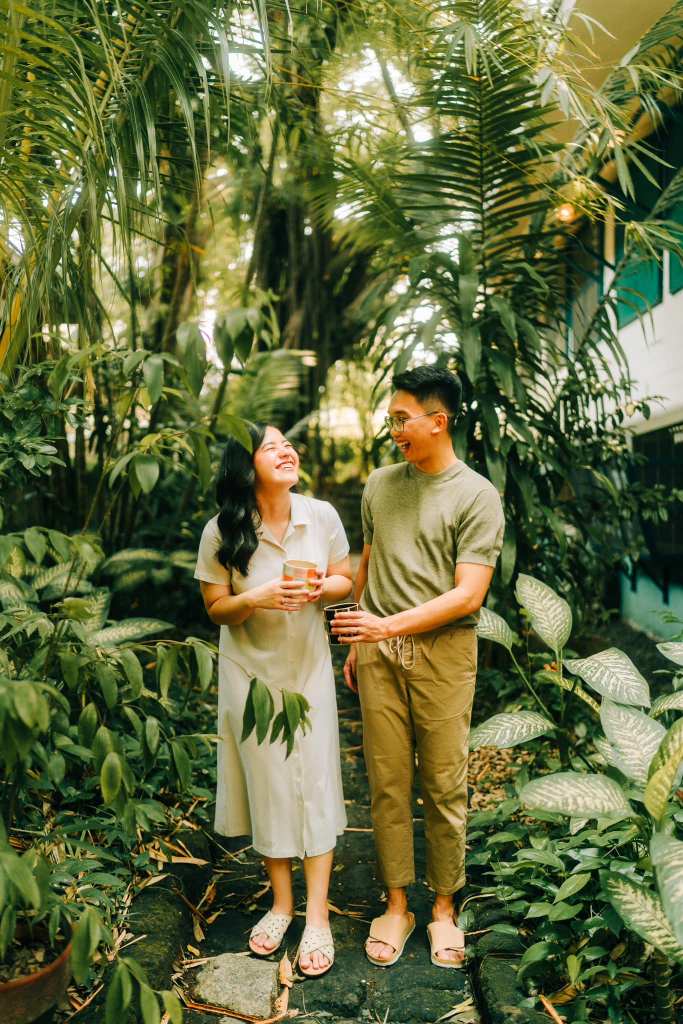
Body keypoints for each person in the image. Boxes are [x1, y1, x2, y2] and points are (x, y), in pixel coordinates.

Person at [332, 366, 504, 970]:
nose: (394, 428)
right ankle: (398, 904)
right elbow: (369, 562)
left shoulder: (476, 495)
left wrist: (386, 627)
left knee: (444, 783)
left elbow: (468, 595)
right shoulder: (380, 484)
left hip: (443, 654)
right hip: (377, 653)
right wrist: (359, 640)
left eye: (403, 418)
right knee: (386, 781)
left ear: (440, 420)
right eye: (392, 418)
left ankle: (444, 908)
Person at [194, 423, 353, 977]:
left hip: (308, 671)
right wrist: (258, 596)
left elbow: (345, 580)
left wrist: (321, 589)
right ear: (247, 466)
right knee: (269, 787)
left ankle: (317, 916)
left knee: (316, 784)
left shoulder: (321, 515)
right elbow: (216, 607)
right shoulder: (221, 530)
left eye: (288, 444)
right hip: (251, 678)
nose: (287, 451)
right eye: (271, 446)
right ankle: (282, 904)